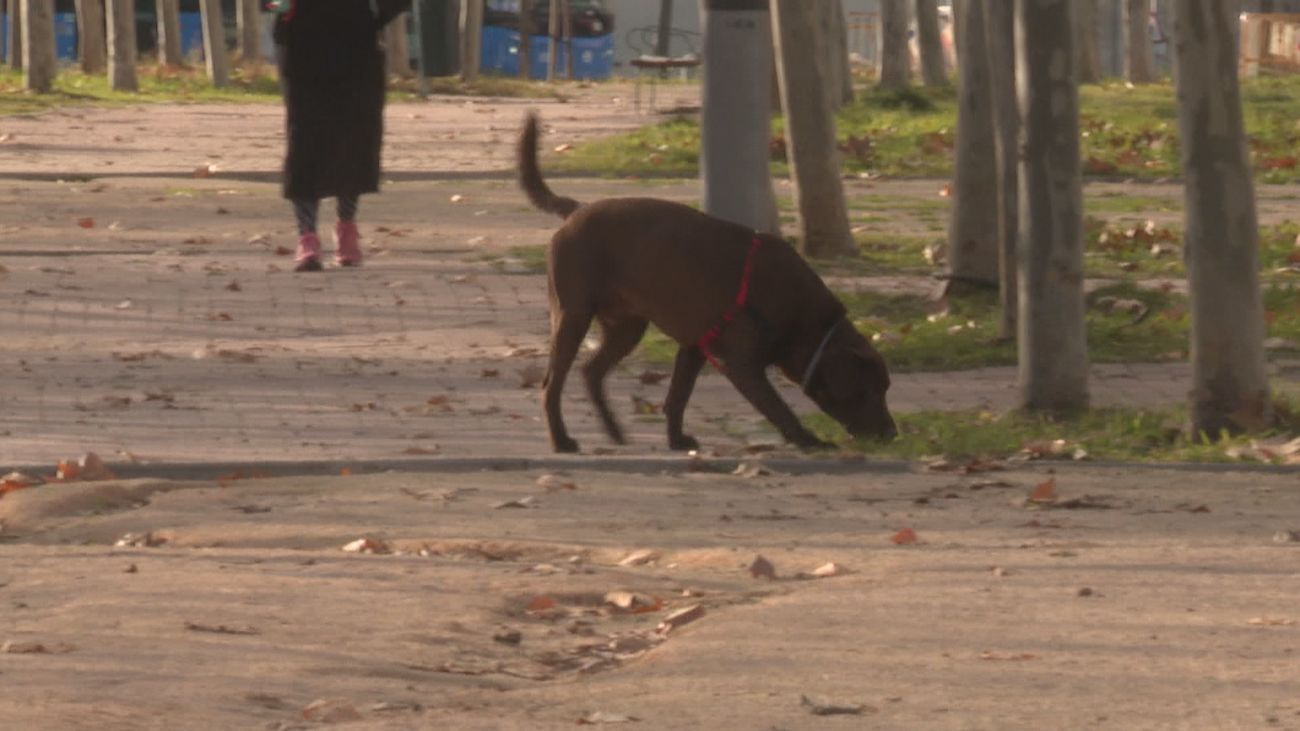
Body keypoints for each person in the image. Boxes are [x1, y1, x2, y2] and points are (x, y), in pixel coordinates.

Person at [272, 0, 411, 272]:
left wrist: (376, 13)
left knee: (353, 138)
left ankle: (346, 226)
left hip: (356, 42)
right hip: (302, 45)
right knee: (305, 141)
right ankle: (307, 236)